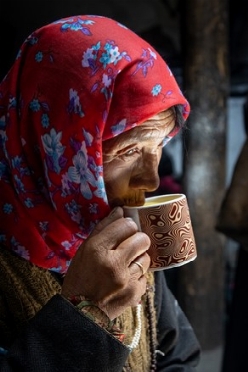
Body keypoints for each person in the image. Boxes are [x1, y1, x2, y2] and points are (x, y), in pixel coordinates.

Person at [0, 15, 200, 371]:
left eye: (159, 147)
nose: (151, 180)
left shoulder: (120, 227)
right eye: (129, 151)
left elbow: (177, 354)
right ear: (58, 146)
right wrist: (88, 310)